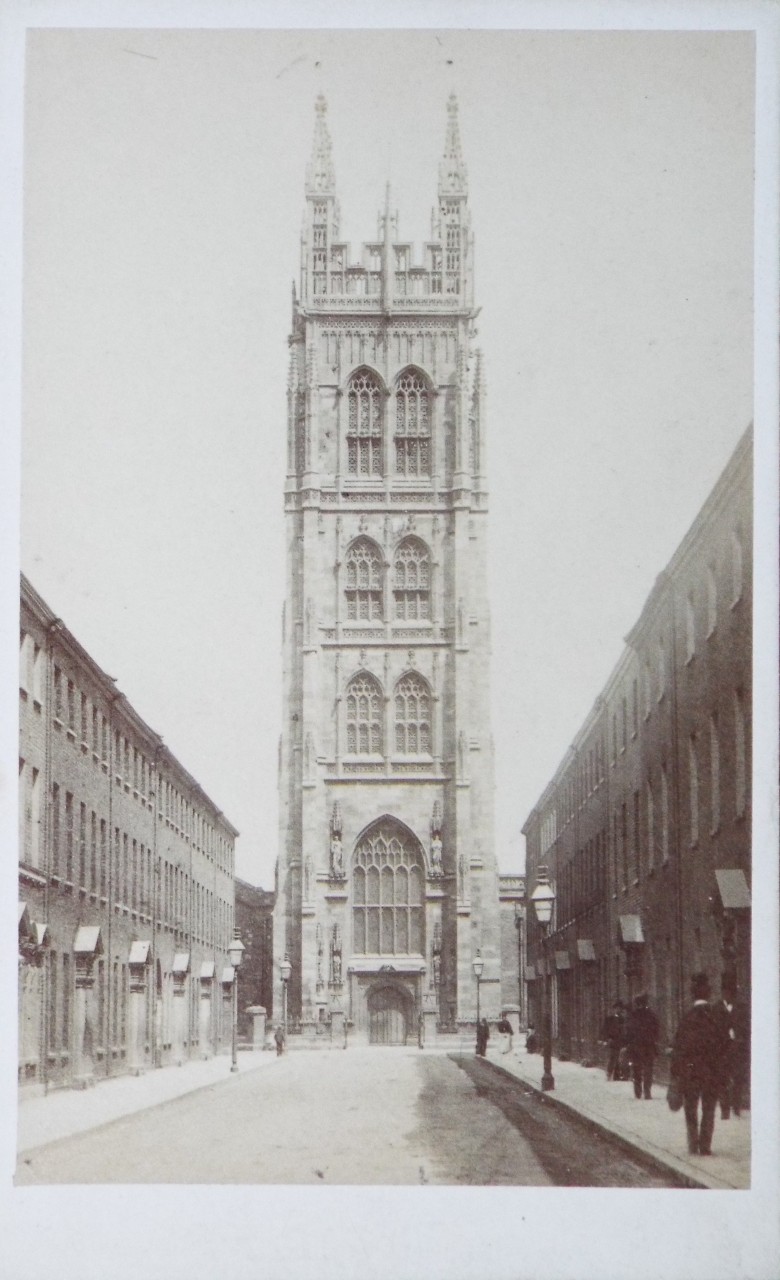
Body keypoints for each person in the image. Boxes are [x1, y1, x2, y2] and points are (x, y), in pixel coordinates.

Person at [671, 972, 731, 1156]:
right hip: (711, 1072)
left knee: (691, 1109)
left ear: (693, 994)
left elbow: (678, 1048)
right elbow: (725, 1045)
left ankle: (693, 1144)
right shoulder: (717, 1017)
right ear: (709, 994)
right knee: (709, 1109)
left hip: (690, 1073)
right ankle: (705, 1146)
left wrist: (676, 1073)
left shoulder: (686, 1018)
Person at [713, 976, 750, 1119]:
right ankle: (725, 1108)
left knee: (738, 1078)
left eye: (731, 993)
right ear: (722, 992)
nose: (728, 995)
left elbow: (747, 1028)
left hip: (738, 1049)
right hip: (722, 1050)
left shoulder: (742, 1008)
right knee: (722, 1078)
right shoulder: (715, 1008)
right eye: (725, 992)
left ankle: (736, 1105)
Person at [626, 993, 660, 1100]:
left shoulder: (633, 1015)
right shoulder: (651, 1015)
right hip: (647, 1046)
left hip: (637, 1046)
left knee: (638, 1069)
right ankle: (646, 1092)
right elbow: (656, 1030)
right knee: (646, 1069)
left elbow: (628, 1031)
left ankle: (639, 1092)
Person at [600, 1000, 627, 1081]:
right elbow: (604, 1030)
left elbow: (625, 1030)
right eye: (616, 1008)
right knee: (612, 1057)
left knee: (621, 1058)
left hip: (621, 1041)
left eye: (620, 1008)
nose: (618, 1010)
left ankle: (618, 1075)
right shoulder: (609, 1019)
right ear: (614, 1009)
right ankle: (609, 1073)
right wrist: (607, 1039)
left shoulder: (623, 1019)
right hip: (613, 1041)